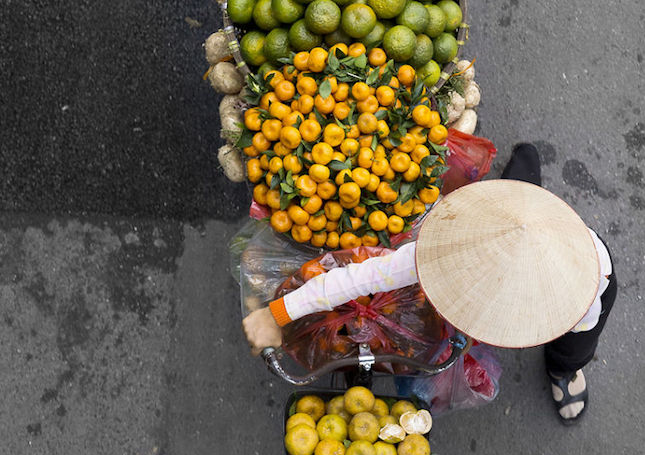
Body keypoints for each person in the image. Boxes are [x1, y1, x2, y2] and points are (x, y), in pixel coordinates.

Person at [243, 144, 617, 425]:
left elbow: (581, 322)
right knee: (514, 203)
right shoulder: (443, 250)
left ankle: (564, 371)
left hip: (572, 259)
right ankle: (523, 170)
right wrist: (279, 312)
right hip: (512, 216)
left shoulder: (582, 290)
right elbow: (356, 278)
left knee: (575, 347)